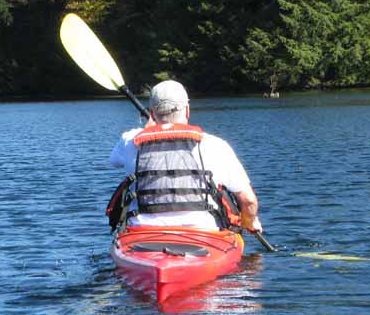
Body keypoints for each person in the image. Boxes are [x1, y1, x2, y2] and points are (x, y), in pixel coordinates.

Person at [108, 80, 263, 234]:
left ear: (152, 113)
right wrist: (250, 221)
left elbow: (114, 161)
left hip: (142, 234)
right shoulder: (216, 145)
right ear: (187, 110)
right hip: (203, 233)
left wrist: (145, 130)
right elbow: (248, 201)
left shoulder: (130, 140)